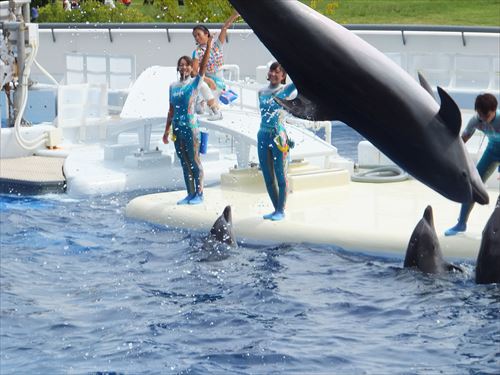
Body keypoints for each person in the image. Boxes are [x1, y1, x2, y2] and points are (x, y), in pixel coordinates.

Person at [162, 36, 213, 205]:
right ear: (178, 67)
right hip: (177, 128)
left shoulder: (194, 83)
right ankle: (190, 193)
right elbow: (171, 110)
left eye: (186, 64)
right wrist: (166, 130)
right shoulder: (172, 86)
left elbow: (204, 67)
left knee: (194, 161)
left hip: (191, 128)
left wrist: (209, 46)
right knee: (183, 162)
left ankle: (200, 193)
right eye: (181, 64)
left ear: (191, 68)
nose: (183, 66)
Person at [445, 93, 500, 235]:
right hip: (492, 151)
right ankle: (461, 223)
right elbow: (462, 140)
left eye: (486, 115)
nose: (483, 119)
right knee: (472, 186)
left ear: (494, 110)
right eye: (480, 114)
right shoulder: (476, 121)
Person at [258, 62, 297, 221]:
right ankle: (275, 209)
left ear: (283, 76)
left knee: (281, 176)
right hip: (262, 135)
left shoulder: (285, 90)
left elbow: (301, 81)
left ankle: (281, 210)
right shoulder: (261, 91)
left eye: (278, 72)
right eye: (272, 71)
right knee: (268, 177)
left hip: (278, 137)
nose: (274, 74)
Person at [191, 10, 240, 121]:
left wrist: (234, 15)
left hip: (219, 84)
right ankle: (201, 104)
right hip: (207, 84)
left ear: (207, 34)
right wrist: (208, 80)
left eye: (198, 34)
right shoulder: (197, 52)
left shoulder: (216, 45)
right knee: (201, 110)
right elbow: (194, 73)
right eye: (195, 36)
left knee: (210, 110)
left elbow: (224, 28)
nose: (196, 38)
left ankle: (209, 107)